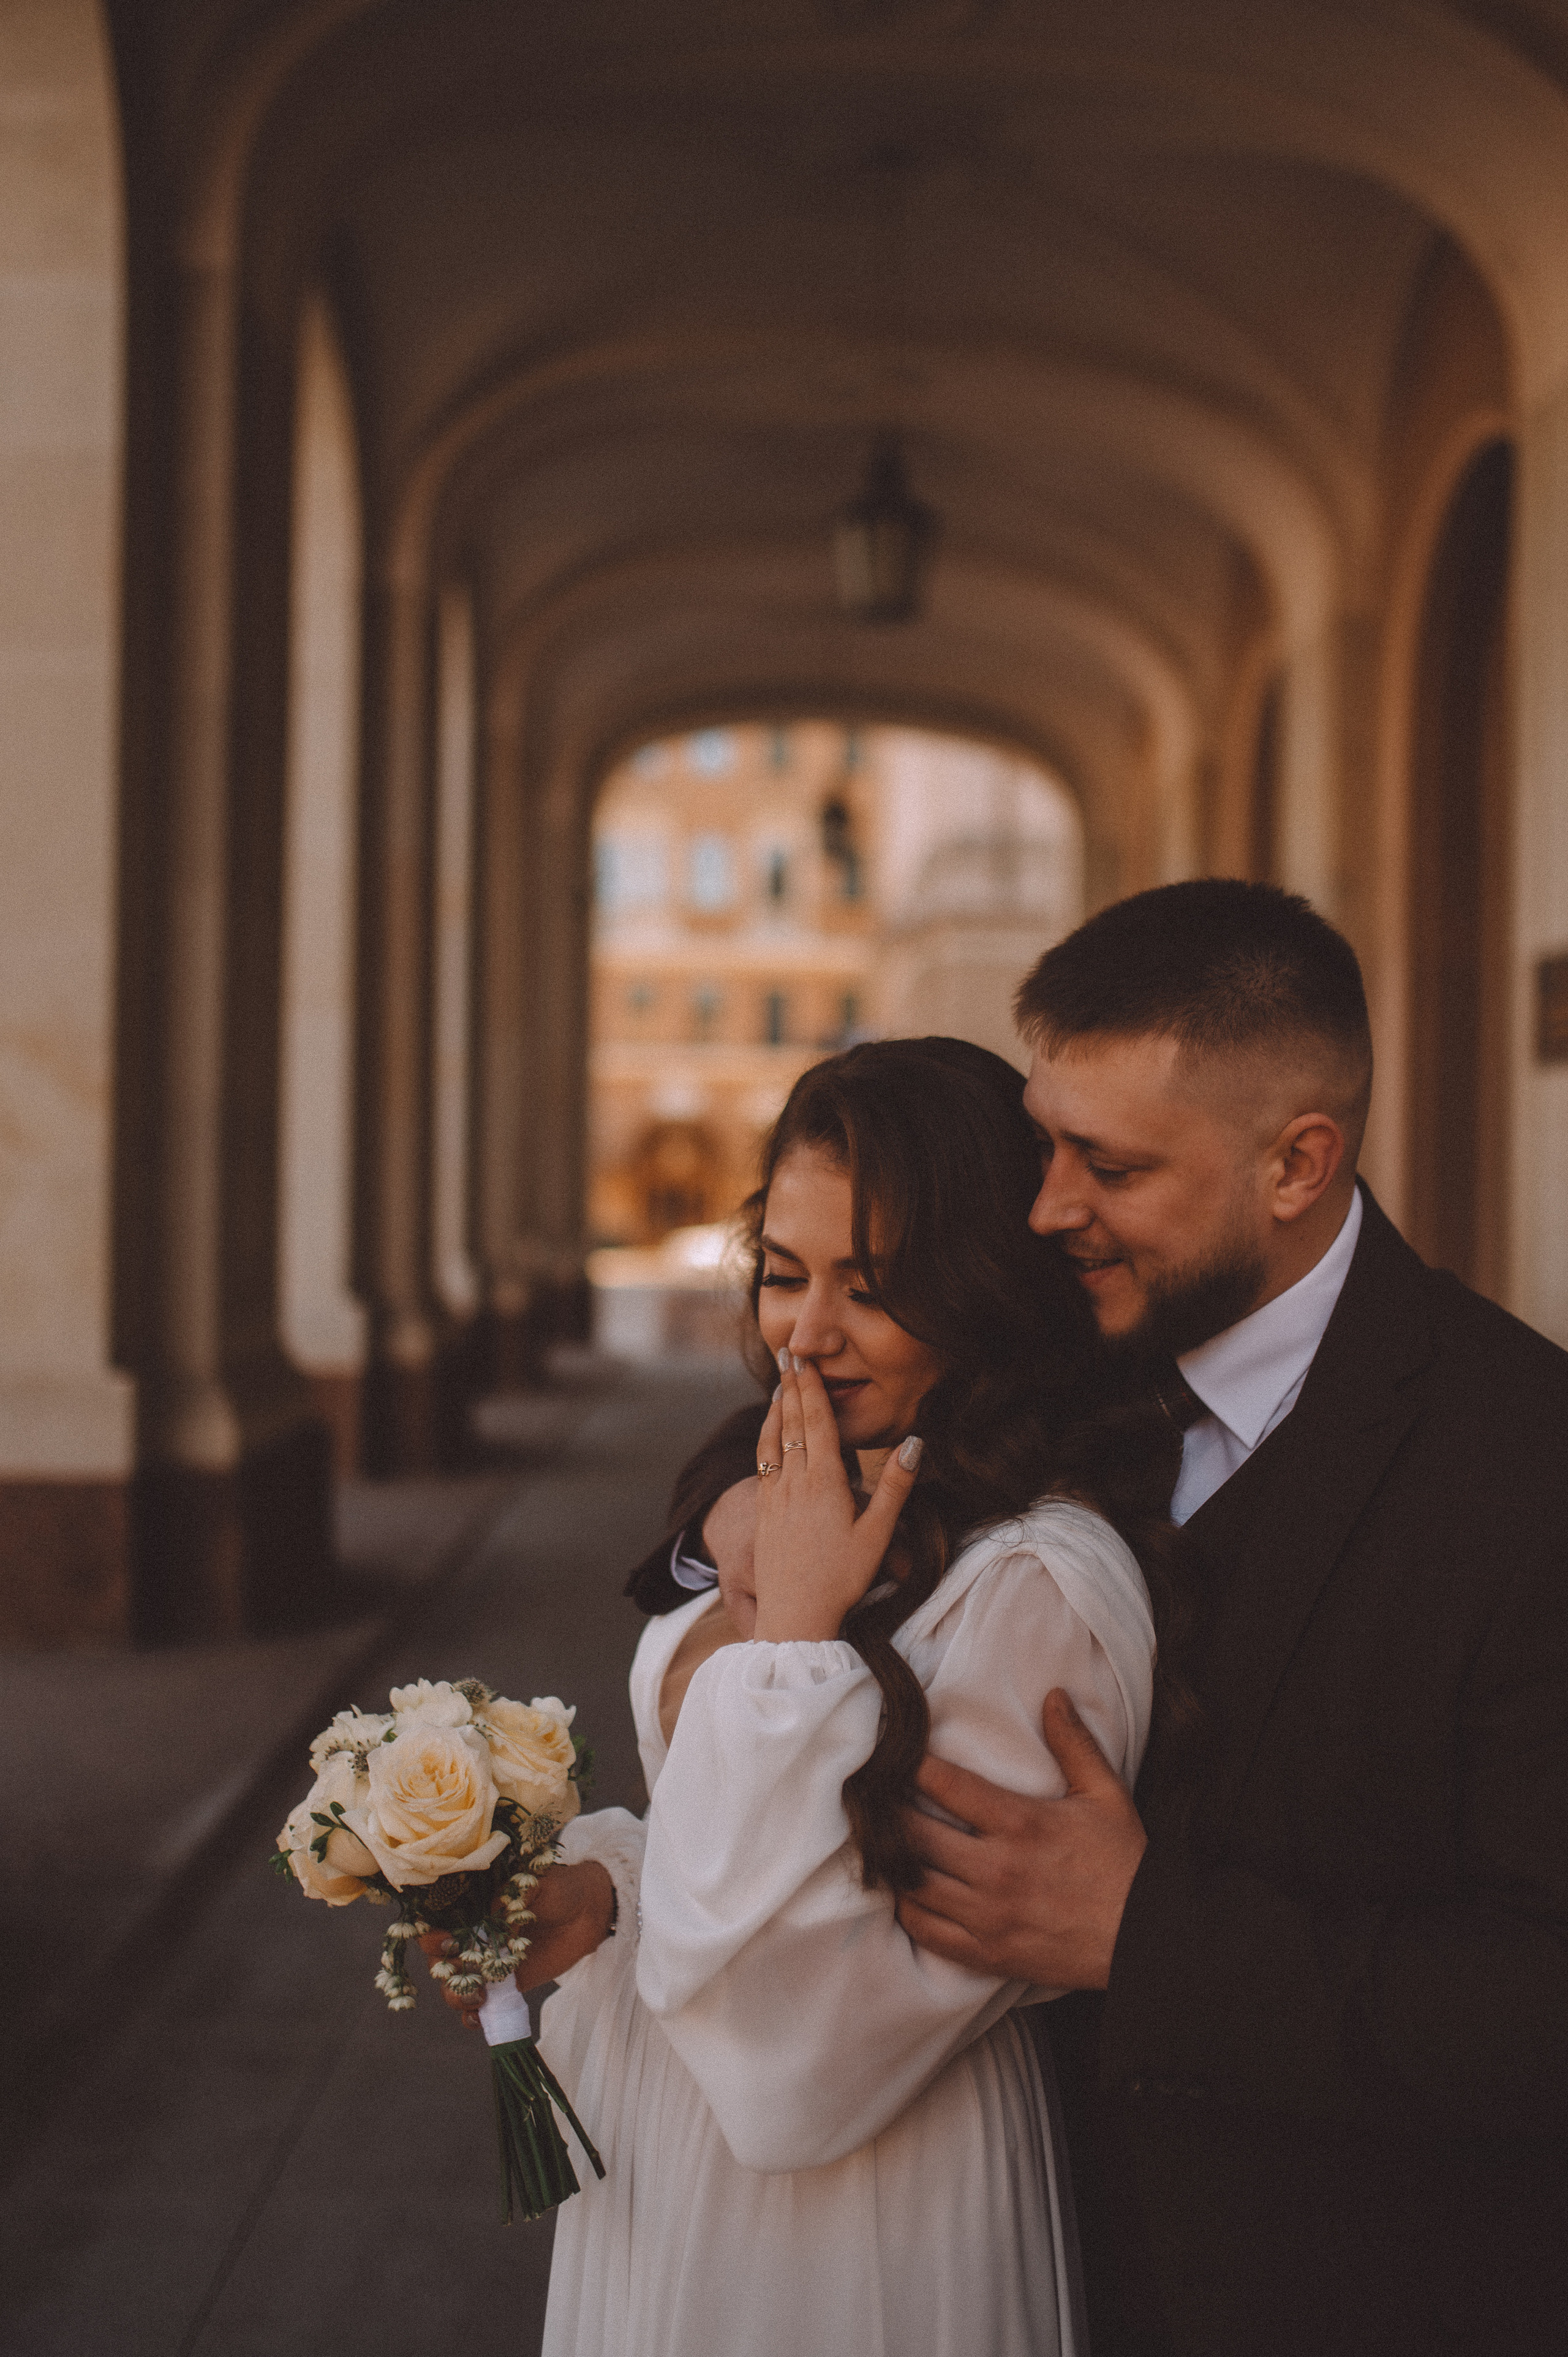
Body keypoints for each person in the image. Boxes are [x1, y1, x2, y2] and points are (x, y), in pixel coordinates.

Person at [640, 881, 1568, 2357]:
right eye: (1043, 1137)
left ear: (1296, 1162)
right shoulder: (1036, 1345)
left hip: (1341, 2294)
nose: (1045, 1204)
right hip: (982, 2257)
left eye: (1105, 1163)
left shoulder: (1526, 1465)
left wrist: (1160, 1938)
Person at [439, 1039, 1184, 2357]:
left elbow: (815, 2050)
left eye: (875, 1287)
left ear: (987, 1295)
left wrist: (788, 1636)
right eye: (784, 1274)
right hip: (665, 2171)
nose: (805, 1331)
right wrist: (606, 1889)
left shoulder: (1037, 1596)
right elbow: (748, 1862)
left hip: (855, 2215)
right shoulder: (805, 1488)